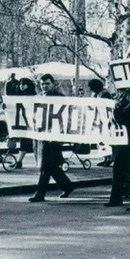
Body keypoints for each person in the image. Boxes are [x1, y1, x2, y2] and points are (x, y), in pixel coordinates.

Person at [28, 74, 76, 202]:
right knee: (52, 167)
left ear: (53, 84)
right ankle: (68, 186)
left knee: (45, 166)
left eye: (47, 83)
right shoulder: (38, 97)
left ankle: (40, 194)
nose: (44, 86)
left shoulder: (59, 97)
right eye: (42, 84)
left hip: (54, 137)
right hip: (42, 135)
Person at [104, 89, 130, 207]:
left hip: (125, 138)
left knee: (119, 168)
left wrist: (117, 109)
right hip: (120, 138)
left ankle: (116, 198)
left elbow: (126, 116)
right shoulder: (120, 96)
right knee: (125, 168)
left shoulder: (128, 96)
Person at [13, 78, 37, 169]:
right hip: (24, 122)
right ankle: (19, 161)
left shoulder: (34, 96)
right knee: (24, 142)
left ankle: (38, 162)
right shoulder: (18, 95)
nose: (21, 86)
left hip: (32, 122)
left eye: (24, 84)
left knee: (35, 142)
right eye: (20, 84)